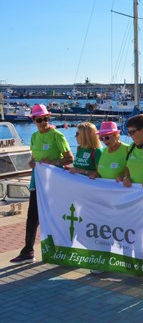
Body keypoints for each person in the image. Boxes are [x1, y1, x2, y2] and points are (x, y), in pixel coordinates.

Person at [10, 104, 74, 264]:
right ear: (34, 120)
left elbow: (69, 158)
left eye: (46, 118)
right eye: (39, 119)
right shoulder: (34, 137)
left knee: (56, 217)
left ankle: (65, 250)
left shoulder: (57, 136)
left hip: (54, 183)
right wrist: (32, 162)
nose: (43, 122)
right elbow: (34, 158)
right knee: (32, 217)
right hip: (37, 181)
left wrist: (52, 161)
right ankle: (27, 252)